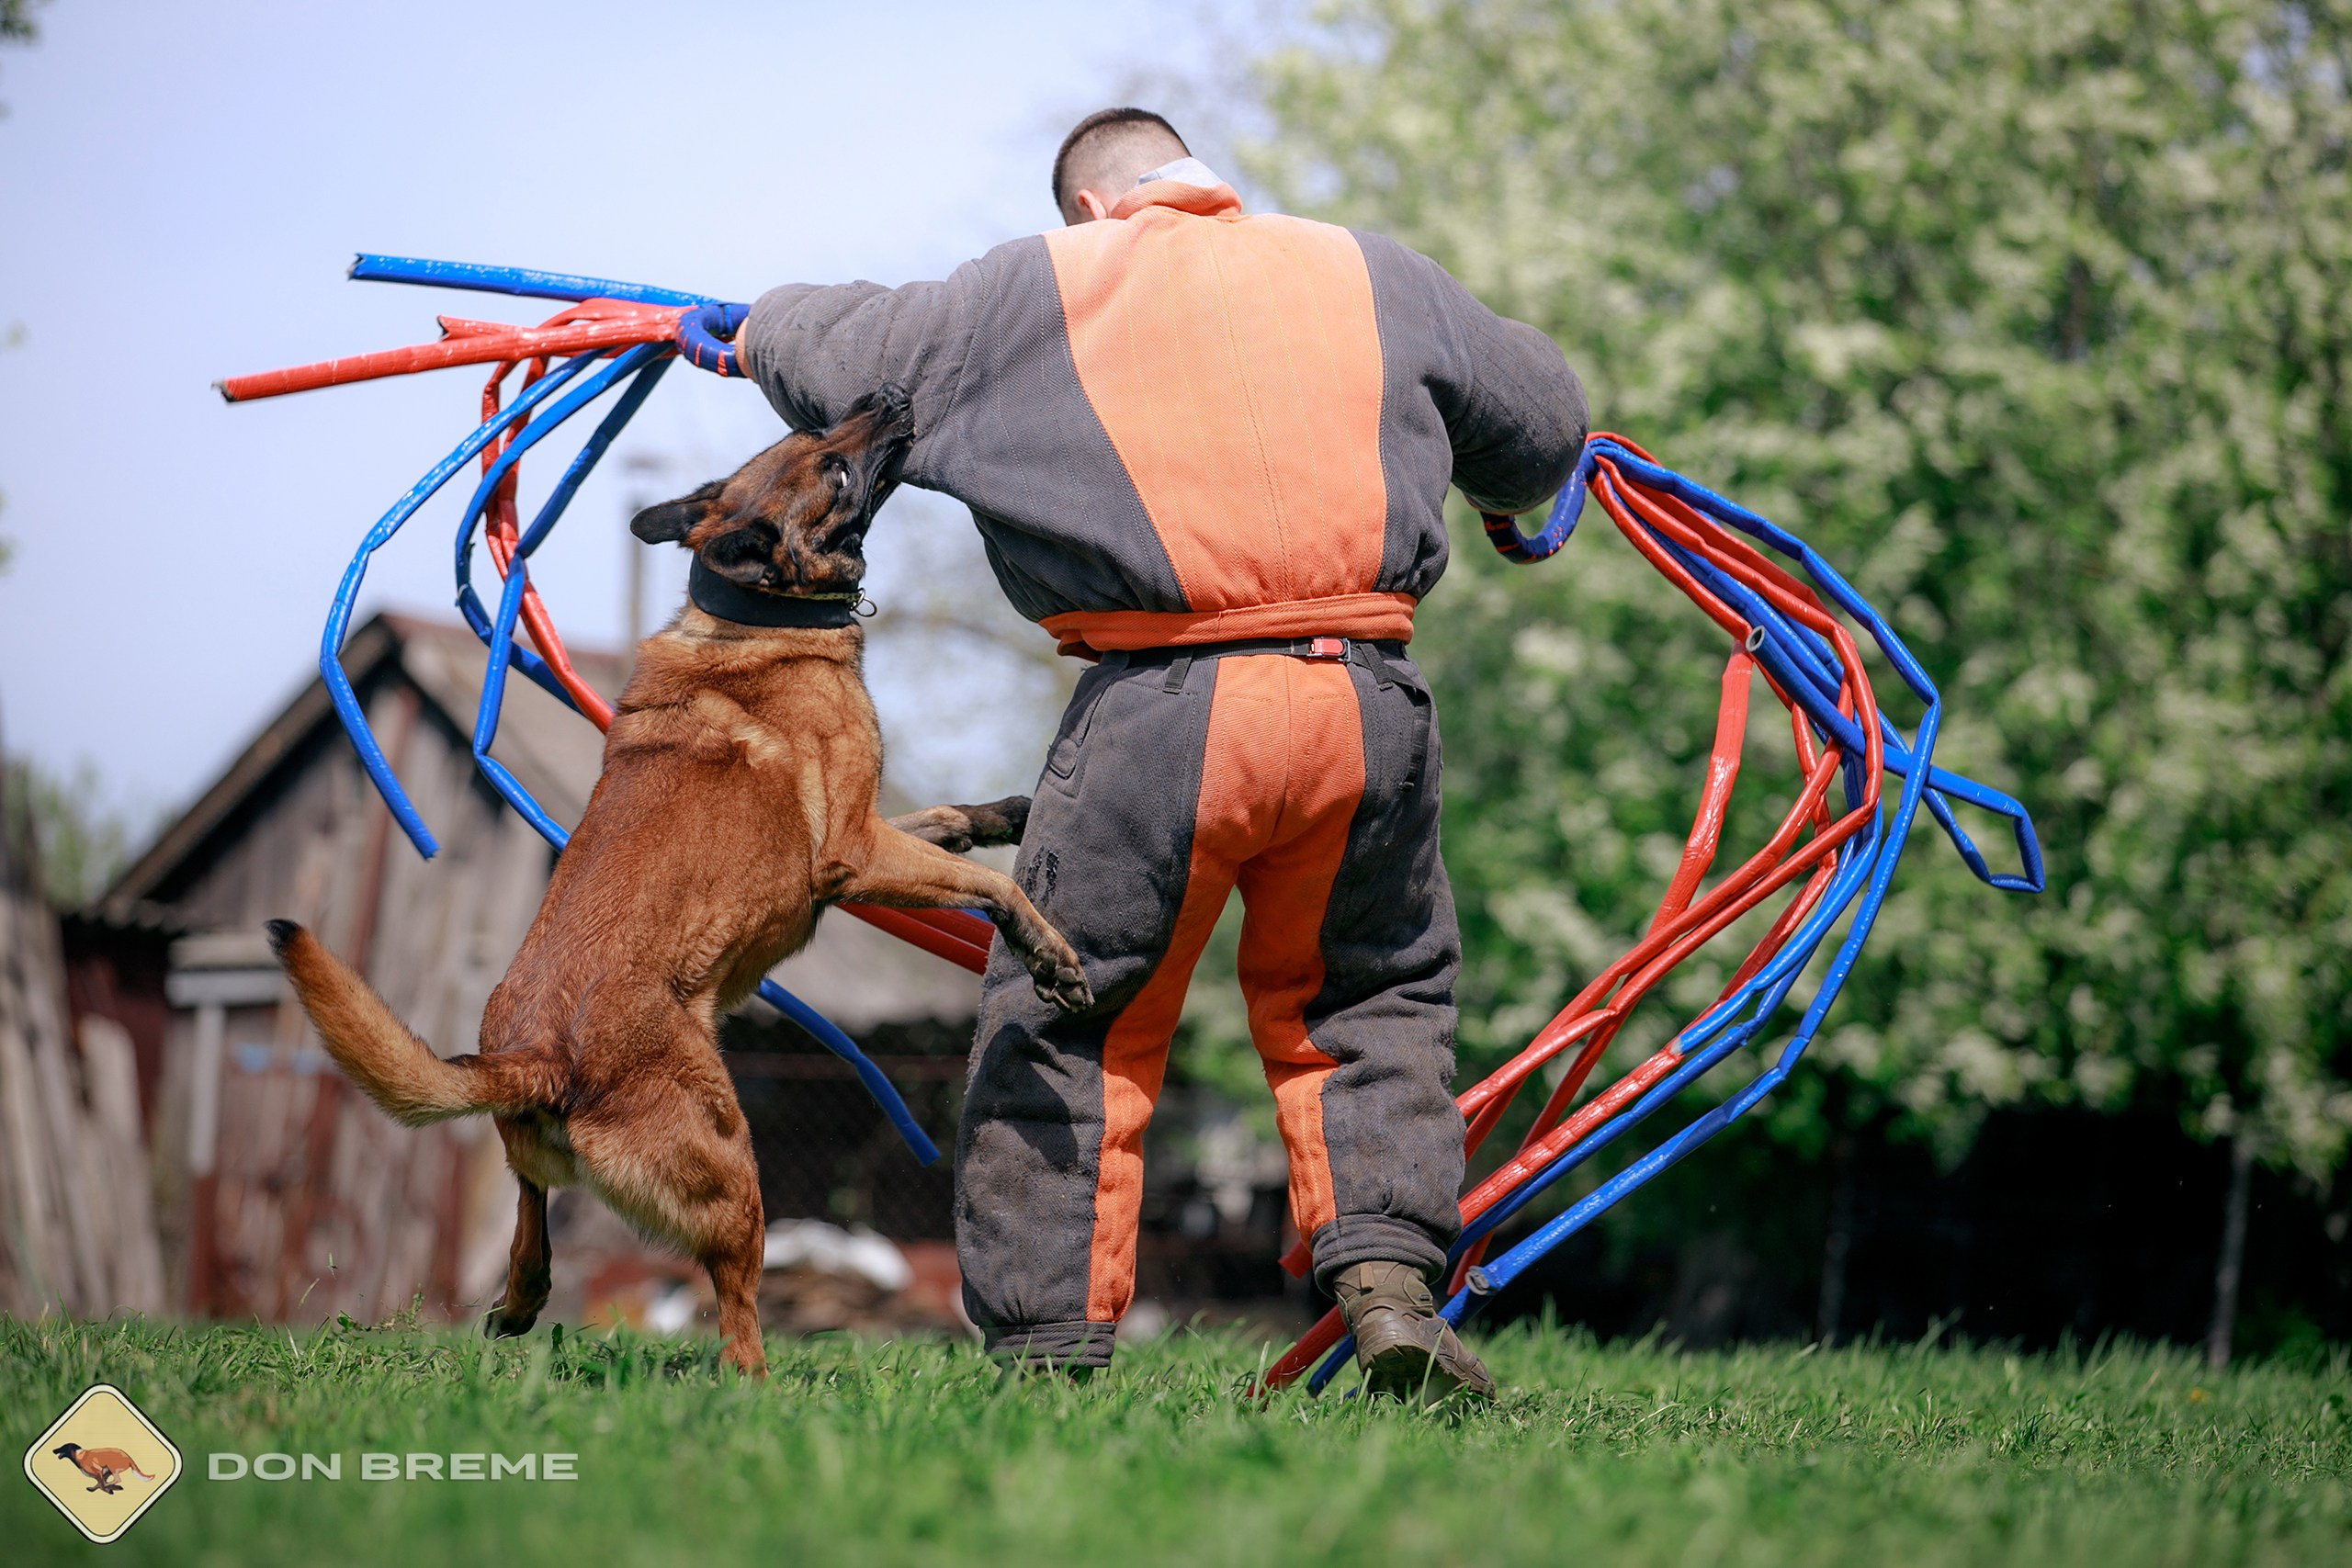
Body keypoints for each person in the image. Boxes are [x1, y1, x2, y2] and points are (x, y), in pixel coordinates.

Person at [709, 107, 1587, 1399]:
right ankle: (1392, 1292)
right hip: (1367, 706)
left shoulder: (1040, 286)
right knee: (1374, 1001)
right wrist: (1505, 493)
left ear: (1089, 209)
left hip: (1162, 708)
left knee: (1076, 1019)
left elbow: (848, 354)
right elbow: (1546, 423)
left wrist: (753, 327)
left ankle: (1049, 1350)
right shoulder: (1369, 269)